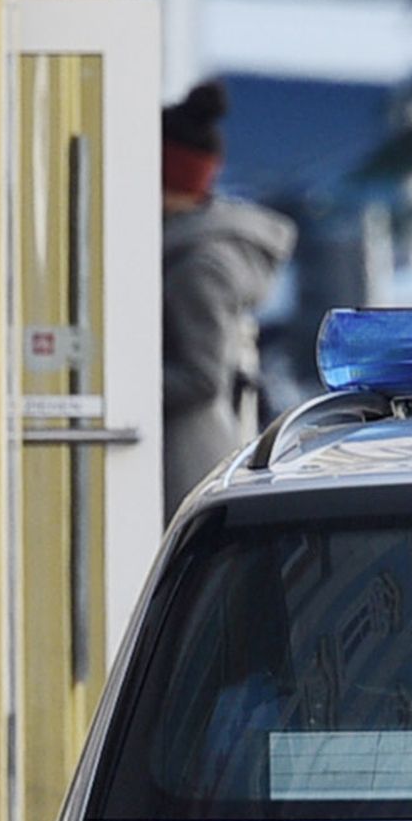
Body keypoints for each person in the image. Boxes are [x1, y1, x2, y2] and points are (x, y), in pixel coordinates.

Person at [159, 81, 297, 516]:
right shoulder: (192, 249)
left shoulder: (200, 266)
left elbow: (202, 377)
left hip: (179, 464)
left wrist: (118, 385)